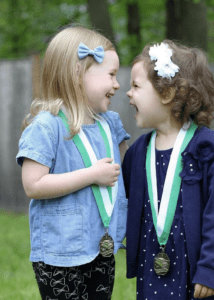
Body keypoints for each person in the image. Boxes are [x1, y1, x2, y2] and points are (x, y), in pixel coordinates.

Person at [16, 25, 130, 300]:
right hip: (59, 255)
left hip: (103, 248)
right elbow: (33, 185)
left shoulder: (110, 124)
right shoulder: (47, 126)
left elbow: (131, 167)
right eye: (111, 75)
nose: (117, 84)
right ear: (78, 74)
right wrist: (91, 174)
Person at [122, 40, 214, 300]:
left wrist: (210, 270)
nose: (128, 93)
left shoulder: (209, 148)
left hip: (200, 277)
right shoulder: (137, 152)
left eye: (136, 86)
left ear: (167, 93)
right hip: (153, 271)